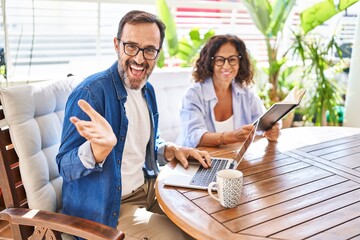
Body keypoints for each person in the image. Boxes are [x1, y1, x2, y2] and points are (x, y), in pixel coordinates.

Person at [56, 10, 210, 240]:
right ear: (117, 45)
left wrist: (169, 150)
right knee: (184, 237)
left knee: (203, 221)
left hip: (149, 190)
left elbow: (144, 142)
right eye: (131, 46)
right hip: (108, 208)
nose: (139, 59)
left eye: (149, 50)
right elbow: (65, 167)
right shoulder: (91, 94)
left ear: (157, 53)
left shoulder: (147, 90)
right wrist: (96, 151)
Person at [177, 34, 280, 148]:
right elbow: (193, 136)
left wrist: (272, 130)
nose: (226, 66)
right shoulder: (193, 94)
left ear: (240, 62)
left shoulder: (246, 93)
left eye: (232, 59)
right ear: (210, 62)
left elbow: (263, 122)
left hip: (230, 157)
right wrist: (232, 137)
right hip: (194, 159)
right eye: (220, 60)